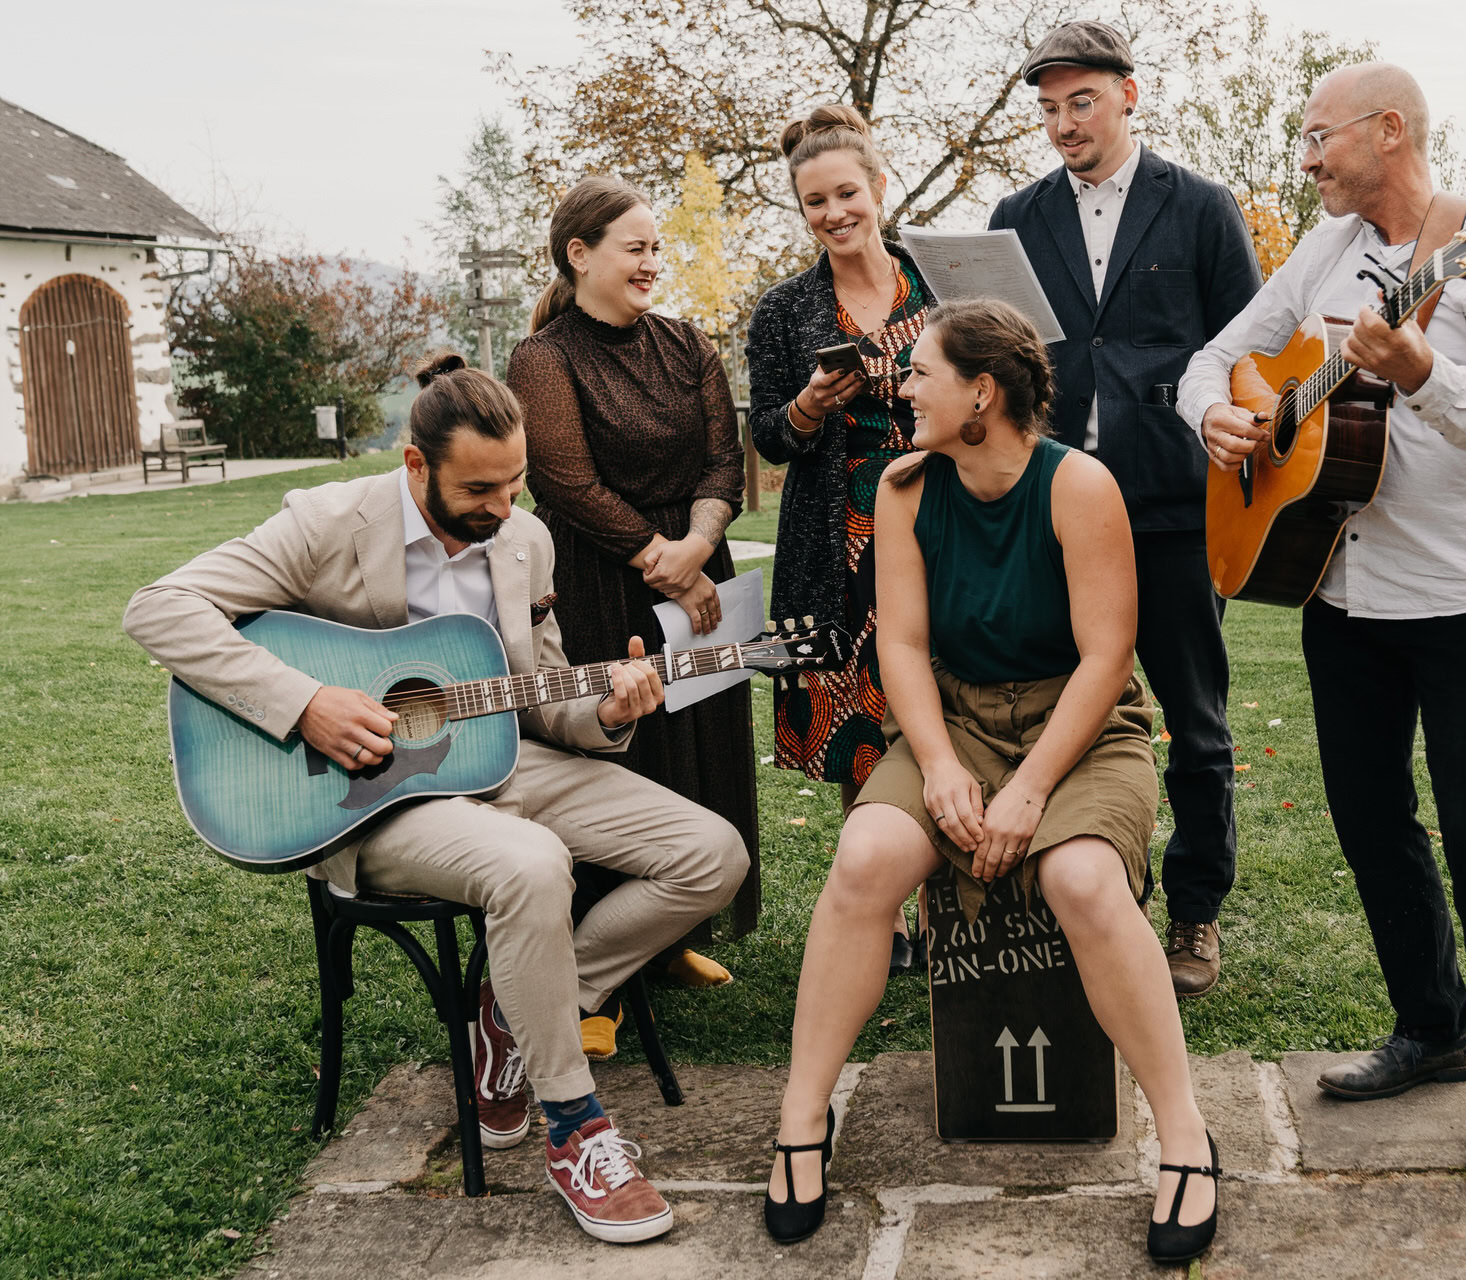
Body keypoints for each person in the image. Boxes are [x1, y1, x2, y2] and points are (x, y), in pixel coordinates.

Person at [123, 353, 749, 1239]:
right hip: (370, 796)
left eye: (515, 485)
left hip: (503, 762)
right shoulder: (327, 522)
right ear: (416, 465)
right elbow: (160, 608)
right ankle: (575, 1129)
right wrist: (305, 705)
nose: (503, 510)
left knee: (711, 854)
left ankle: (515, 1008)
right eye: (481, 489)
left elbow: (544, 689)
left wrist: (604, 708)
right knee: (533, 865)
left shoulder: (527, 542)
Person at [762, 300, 1220, 1264]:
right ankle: (803, 1119)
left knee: (1083, 880)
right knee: (864, 858)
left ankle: (1184, 1133)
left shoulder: (1079, 486)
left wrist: (1029, 790)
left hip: (1079, 725)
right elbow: (904, 644)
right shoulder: (903, 487)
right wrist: (935, 766)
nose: (902, 386)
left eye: (920, 372)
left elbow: (1108, 658)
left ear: (983, 392)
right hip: (955, 718)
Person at [1178, 62, 1466, 1183]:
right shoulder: (1325, 252)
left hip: (1462, 596)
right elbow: (1214, 358)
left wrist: (1425, 370)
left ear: (1389, 131)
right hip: (1337, 587)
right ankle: (1434, 1023)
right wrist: (1221, 416)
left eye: (1318, 138)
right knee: (1368, 816)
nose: (1305, 160)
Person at [988, 20, 1263, 997]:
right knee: (1055, 712)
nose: (1065, 122)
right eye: (1051, 107)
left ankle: (1194, 915)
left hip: (1180, 507)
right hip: (1057, 512)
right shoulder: (1013, 216)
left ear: (1129, 94)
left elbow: (1248, 347)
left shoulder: (1200, 208)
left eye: (1082, 101)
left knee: (1196, 719)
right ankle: (1078, 894)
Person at [507, 176, 755, 1005]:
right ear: (580, 256)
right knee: (626, 758)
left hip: (699, 574)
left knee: (701, 753)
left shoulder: (687, 344)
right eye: (636, 248)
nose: (654, 263)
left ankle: (672, 934)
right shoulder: (544, 358)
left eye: (657, 248)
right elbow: (566, 480)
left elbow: (727, 460)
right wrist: (661, 559)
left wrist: (698, 548)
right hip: (598, 580)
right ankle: (598, 975)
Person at [747, 105, 935, 976]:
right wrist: (808, 408)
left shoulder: (937, 283)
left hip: (942, 524)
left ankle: (951, 895)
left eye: (847, 193)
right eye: (814, 202)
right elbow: (770, 438)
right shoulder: (784, 311)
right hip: (841, 536)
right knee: (864, 720)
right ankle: (886, 909)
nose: (833, 213)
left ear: (879, 187)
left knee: (949, 700)